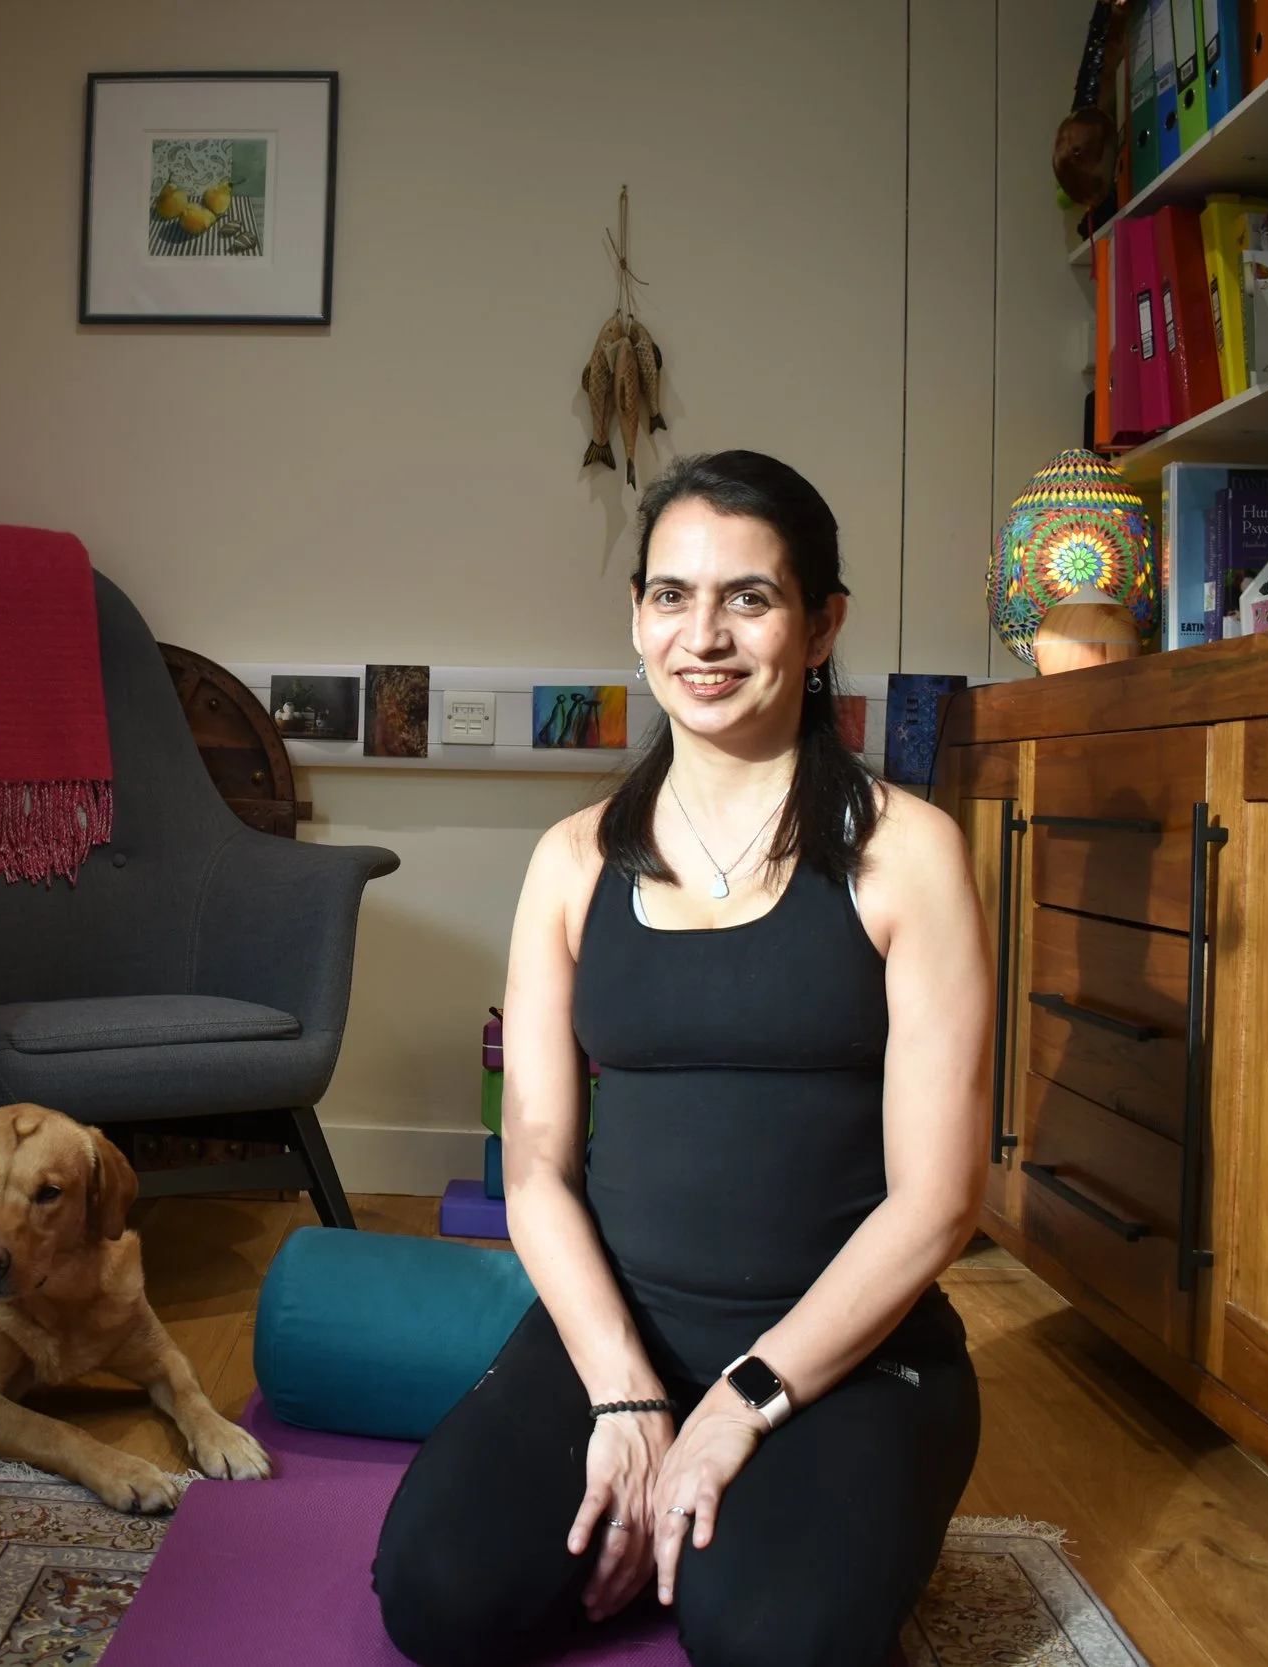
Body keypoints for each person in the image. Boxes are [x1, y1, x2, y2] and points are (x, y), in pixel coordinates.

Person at [373, 451, 991, 1667]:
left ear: (821, 627)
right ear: (638, 619)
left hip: (849, 1357)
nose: (701, 636)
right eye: (669, 595)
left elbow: (938, 1199)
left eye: (748, 598)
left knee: (765, 1643)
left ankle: (757, 1527)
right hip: (624, 1332)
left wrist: (743, 1404)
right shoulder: (569, 861)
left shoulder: (905, 852)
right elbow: (539, 1163)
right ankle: (677, 1502)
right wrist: (626, 1392)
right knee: (434, 1595)